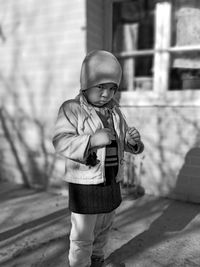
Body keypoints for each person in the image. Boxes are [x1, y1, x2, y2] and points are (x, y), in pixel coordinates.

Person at [52, 50, 144, 267]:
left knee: (103, 228)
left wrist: (131, 142)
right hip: (86, 185)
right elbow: (60, 141)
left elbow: (121, 144)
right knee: (83, 236)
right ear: (86, 84)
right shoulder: (72, 109)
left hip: (111, 181)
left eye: (112, 88)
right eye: (100, 86)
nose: (106, 94)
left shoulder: (115, 112)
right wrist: (91, 141)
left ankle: (97, 260)